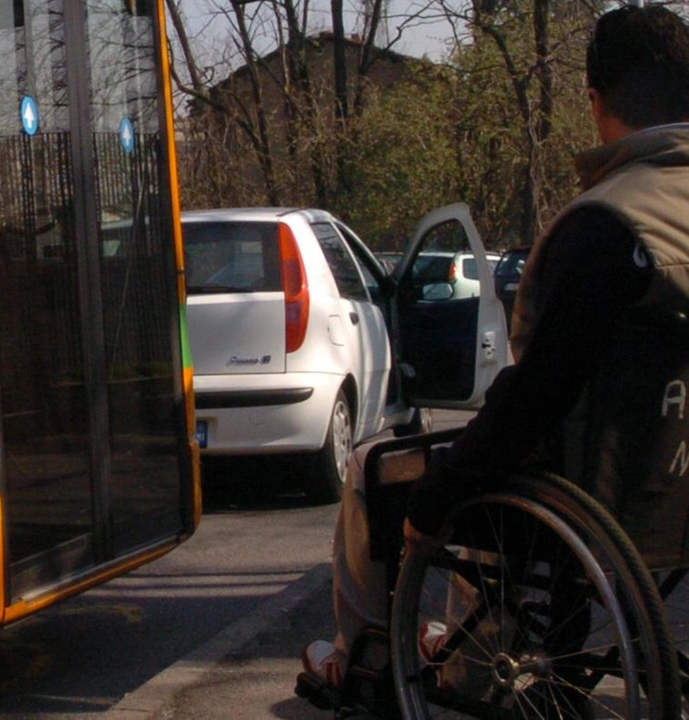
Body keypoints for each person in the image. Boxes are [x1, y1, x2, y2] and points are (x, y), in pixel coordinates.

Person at [297, 2, 689, 704]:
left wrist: (438, 496)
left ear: (596, 103)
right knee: (495, 463)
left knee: (383, 468)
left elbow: (538, 393)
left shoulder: (606, 223)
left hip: (595, 500)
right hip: (674, 490)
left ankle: (367, 659)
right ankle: (465, 653)